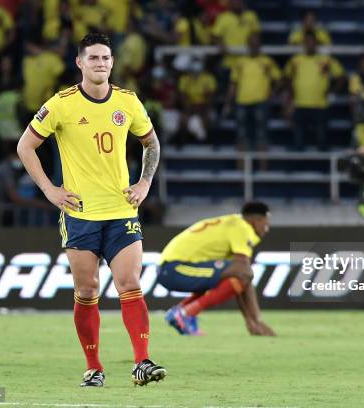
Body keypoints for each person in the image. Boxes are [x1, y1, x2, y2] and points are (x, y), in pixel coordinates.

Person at [16, 33, 166, 387]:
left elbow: (151, 143)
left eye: (106, 58)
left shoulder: (128, 102)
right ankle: (93, 367)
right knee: (87, 291)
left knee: (129, 283)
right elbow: (26, 146)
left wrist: (144, 183)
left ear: (113, 63)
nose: (101, 63)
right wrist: (50, 190)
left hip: (121, 210)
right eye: (94, 58)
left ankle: (142, 362)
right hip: (80, 213)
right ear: (79, 63)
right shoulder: (61, 104)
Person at [156, 202, 275, 337]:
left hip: (171, 267)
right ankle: (185, 313)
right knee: (240, 274)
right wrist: (255, 320)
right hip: (175, 268)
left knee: (234, 277)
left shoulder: (233, 222)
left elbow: (243, 278)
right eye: (265, 224)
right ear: (256, 220)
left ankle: (182, 312)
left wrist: (251, 320)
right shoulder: (242, 228)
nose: (266, 229)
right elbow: (245, 272)